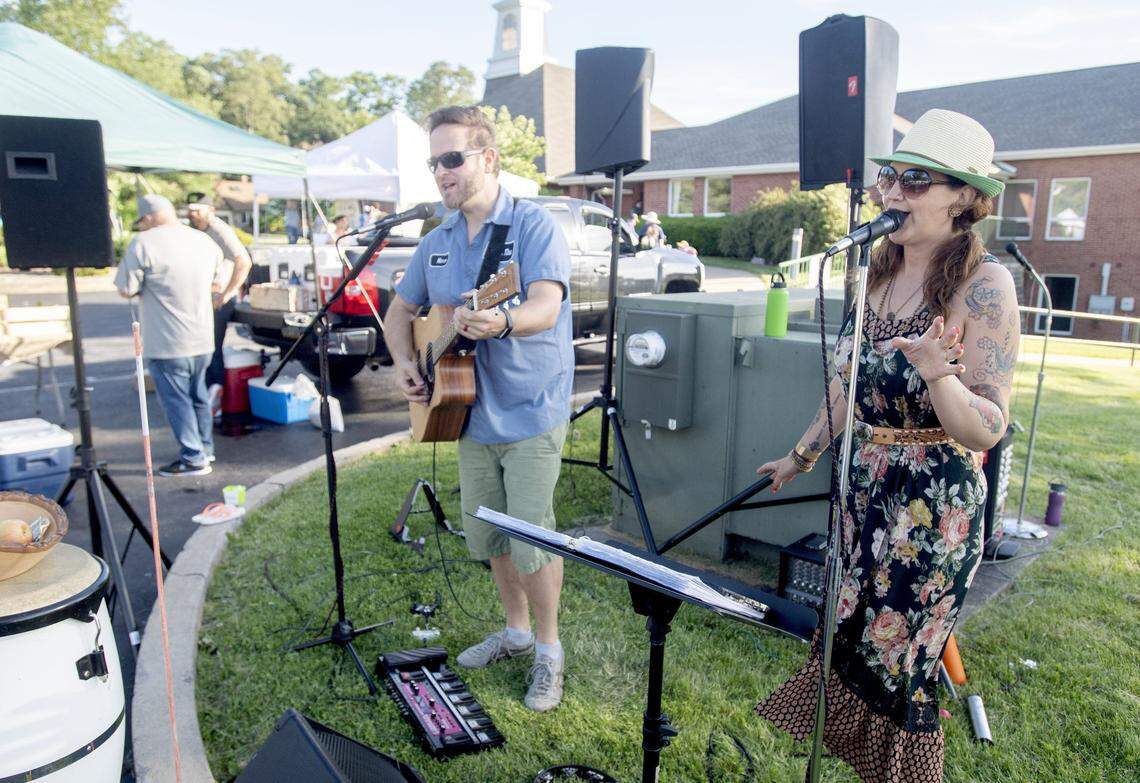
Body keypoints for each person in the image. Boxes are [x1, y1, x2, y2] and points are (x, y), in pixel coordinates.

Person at [754, 109, 1018, 783]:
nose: (893, 192)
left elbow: (986, 426)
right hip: (861, 487)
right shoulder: (877, 272)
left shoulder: (985, 285)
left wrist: (938, 374)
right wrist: (803, 454)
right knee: (846, 642)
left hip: (932, 507)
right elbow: (847, 380)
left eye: (916, 180)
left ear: (965, 198)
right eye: (888, 177)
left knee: (896, 665)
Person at [383, 105, 573, 712]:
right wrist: (407, 364)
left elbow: (545, 304)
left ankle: (548, 651)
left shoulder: (532, 227)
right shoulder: (435, 241)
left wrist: (505, 320)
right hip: (466, 413)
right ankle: (515, 633)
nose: (440, 172)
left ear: (487, 159)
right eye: (433, 161)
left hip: (529, 408)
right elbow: (398, 315)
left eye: (451, 158)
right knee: (489, 533)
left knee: (530, 535)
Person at [116, 194, 222, 477]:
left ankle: (193, 458)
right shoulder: (203, 241)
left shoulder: (143, 244)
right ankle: (205, 448)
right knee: (197, 395)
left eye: (142, 222)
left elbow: (126, 288)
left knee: (177, 401)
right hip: (201, 336)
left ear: (149, 217)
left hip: (167, 340)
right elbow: (217, 281)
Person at [187, 196, 253, 417]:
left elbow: (243, 260)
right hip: (204, 295)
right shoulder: (196, 231)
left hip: (218, 296)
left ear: (211, 210)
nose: (192, 213)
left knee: (211, 345)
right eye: (190, 209)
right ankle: (208, 394)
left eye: (197, 209)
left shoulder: (219, 230)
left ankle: (215, 396)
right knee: (202, 345)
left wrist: (227, 293)